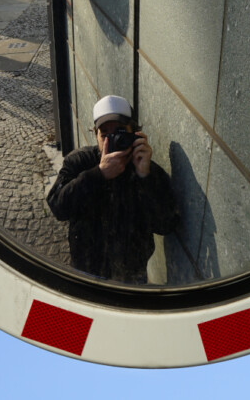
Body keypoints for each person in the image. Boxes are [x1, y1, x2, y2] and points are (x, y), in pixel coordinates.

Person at [47, 95, 177, 283]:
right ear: (96, 136)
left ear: (135, 132)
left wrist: (145, 177)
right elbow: (58, 207)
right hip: (86, 272)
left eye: (120, 131)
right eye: (105, 133)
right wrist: (98, 174)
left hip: (132, 275)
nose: (113, 139)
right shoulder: (80, 162)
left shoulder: (147, 169)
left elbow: (167, 224)